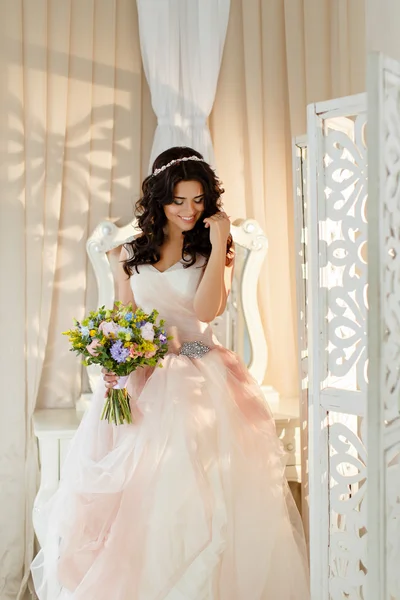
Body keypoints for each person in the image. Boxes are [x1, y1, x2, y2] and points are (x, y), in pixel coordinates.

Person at [31, 146, 310, 599]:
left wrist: (220, 243)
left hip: (201, 372)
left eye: (199, 200)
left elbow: (206, 311)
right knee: (134, 495)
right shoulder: (130, 252)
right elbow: (125, 315)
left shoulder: (211, 249)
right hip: (142, 375)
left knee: (189, 487)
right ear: (160, 199)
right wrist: (115, 360)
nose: (189, 210)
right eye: (178, 200)